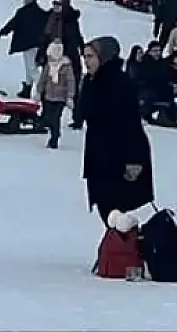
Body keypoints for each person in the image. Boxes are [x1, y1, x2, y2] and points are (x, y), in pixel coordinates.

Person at [79, 36, 155, 223]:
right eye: (85, 57)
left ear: (103, 57)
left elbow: (130, 122)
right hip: (98, 155)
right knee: (107, 211)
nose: (86, 61)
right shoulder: (90, 81)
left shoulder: (119, 83)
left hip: (120, 156)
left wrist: (134, 160)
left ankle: (127, 242)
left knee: (118, 213)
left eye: (90, 56)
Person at [34, 39, 75, 149]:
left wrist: (70, 97)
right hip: (49, 96)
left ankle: (54, 138)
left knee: (55, 117)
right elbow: (43, 79)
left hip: (60, 98)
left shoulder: (66, 66)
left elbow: (70, 82)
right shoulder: (49, 65)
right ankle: (55, 132)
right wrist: (39, 92)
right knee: (49, 117)